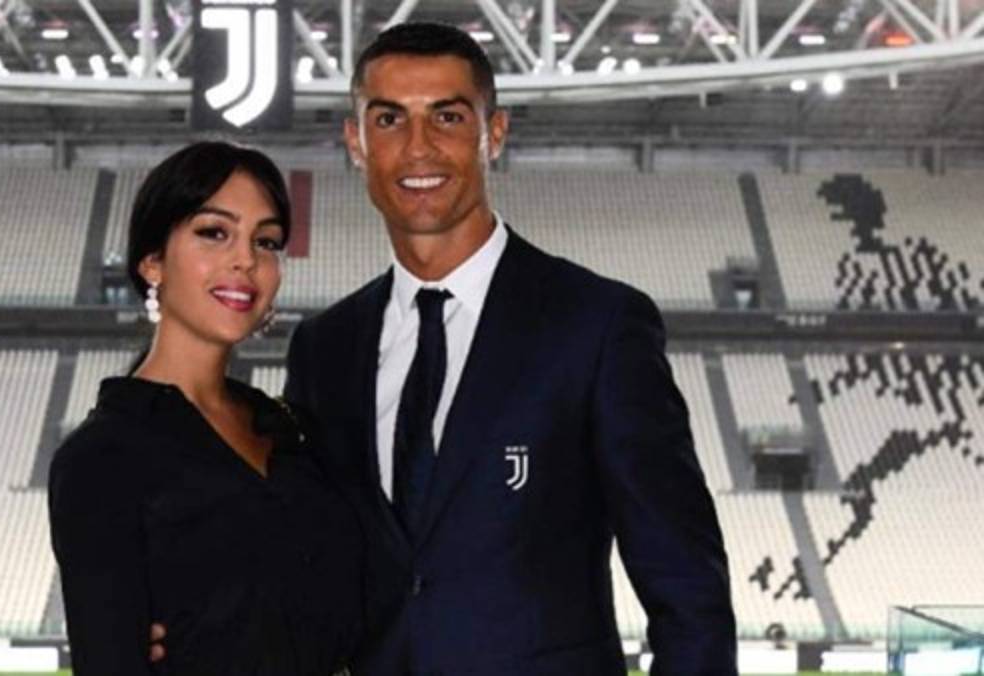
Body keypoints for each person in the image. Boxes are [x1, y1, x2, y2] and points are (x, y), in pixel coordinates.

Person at [153, 22, 736, 675]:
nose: (418, 147)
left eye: (448, 117)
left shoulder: (596, 324)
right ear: (356, 142)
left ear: (494, 133)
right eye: (389, 119)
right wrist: (190, 620)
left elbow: (689, 591)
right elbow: (311, 559)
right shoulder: (327, 348)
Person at [48, 141, 361, 676]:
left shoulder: (289, 429)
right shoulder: (102, 457)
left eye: (266, 241)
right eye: (214, 232)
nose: (246, 259)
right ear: (152, 262)